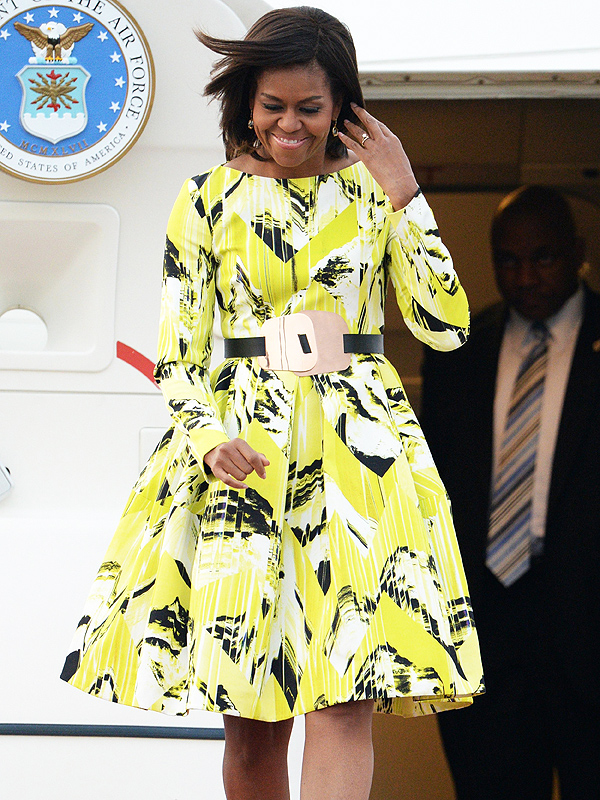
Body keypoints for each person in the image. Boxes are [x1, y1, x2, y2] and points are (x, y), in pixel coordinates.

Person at [61, 7, 483, 799]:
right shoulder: (206, 200)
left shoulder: (372, 196)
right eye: (273, 106)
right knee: (252, 707)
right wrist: (207, 438)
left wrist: (406, 194)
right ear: (246, 103)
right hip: (244, 459)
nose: (289, 124)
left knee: (345, 695)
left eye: (311, 108)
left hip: (360, 458)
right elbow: (179, 353)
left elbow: (447, 326)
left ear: (343, 108)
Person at [420, 185, 600, 800]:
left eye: (543, 258)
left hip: (589, 627)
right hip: (485, 632)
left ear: (578, 252)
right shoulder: (457, 345)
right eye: (508, 260)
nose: (524, 277)